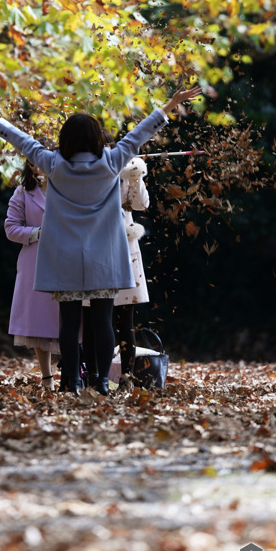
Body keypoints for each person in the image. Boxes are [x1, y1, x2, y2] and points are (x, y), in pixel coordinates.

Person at [0, 85, 200, 395]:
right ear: (97, 138)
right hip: (105, 258)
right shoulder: (112, 161)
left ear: (66, 140)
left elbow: (24, 142)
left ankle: (72, 381)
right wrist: (170, 104)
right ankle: (101, 382)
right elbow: (139, 135)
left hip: (65, 259)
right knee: (103, 322)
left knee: (69, 324)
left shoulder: (54, 165)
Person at [4, 160, 60, 391]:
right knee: (40, 319)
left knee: (68, 318)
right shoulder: (23, 192)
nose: (39, 166)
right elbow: (11, 228)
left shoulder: (67, 186)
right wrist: (38, 232)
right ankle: (47, 377)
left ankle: (73, 371)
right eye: (34, 162)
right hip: (35, 261)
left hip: (67, 260)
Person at [114, 154, 151, 389]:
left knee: (125, 320)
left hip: (124, 251)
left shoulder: (125, 173)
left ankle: (126, 378)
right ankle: (94, 376)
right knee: (94, 319)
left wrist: (135, 175)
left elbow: (141, 204)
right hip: (95, 249)